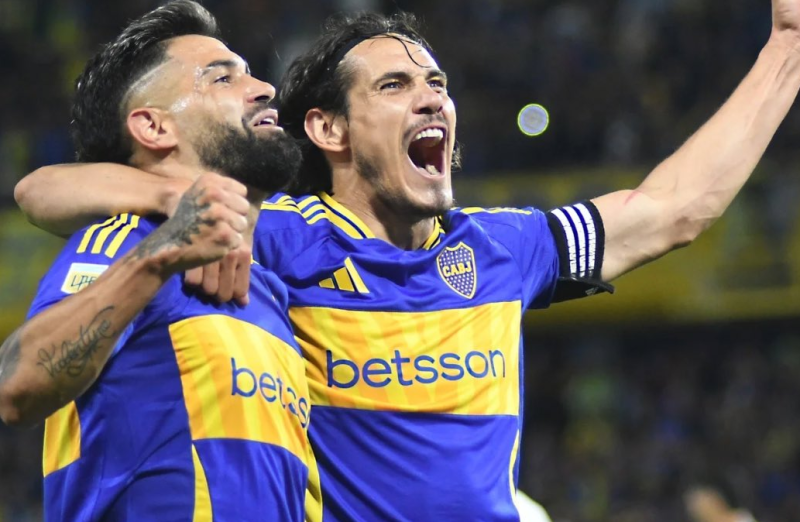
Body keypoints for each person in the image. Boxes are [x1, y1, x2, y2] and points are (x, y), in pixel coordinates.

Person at [13, 1, 800, 520]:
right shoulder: (280, 242)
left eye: (437, 83)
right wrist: (177, 201)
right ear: (328, 130)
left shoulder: (500, 249)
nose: (431, 99)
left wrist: (786, 49)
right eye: (395, 85)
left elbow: (676, 209)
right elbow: (45, 190)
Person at [0, 1, 312, 520]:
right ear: (154, 127)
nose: (264, 88)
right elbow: (18, 384)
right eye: (222, 78)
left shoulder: (271, 284)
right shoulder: (130, 239)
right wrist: (161, 253)